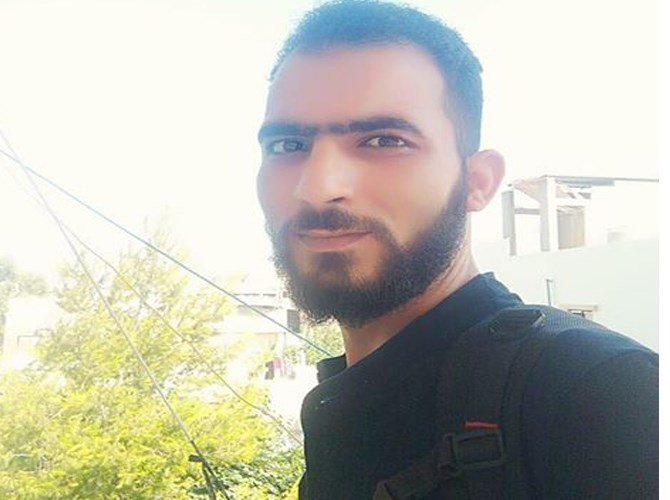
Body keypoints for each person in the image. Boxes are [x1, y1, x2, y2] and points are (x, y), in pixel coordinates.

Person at [254, 1, 659, 498]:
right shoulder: (345, 402)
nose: (316, 188)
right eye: (288, 146)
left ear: (477, 181)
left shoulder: (599, 393)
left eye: (383, 141)